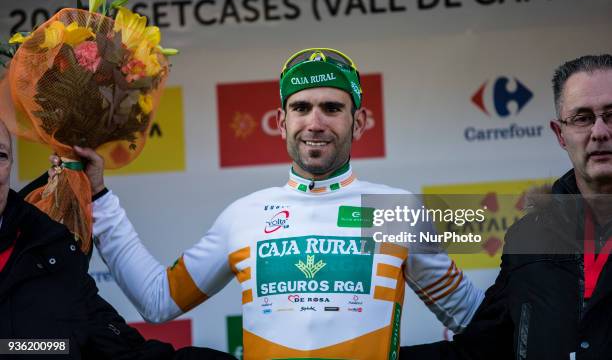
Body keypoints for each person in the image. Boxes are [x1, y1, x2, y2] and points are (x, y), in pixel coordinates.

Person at [71, 48, 484, 359]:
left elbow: (474, 319)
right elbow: (159, 299)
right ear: (282, 122)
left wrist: (545, 243)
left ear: (357, 122)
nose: (315, 122)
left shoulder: (395, 211)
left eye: (332, 108)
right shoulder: (244, 215)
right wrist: (100, 199)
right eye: (301, 107)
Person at [401, 54, 612, 359]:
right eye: (582, 118)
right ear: (560, 134)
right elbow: (483, 349)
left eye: (611, 114)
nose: (600, 132)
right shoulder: (530, 237)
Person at [0, 119, 234, 360]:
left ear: (11, 164)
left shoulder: (50, 249)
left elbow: (136, 328)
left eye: (1, 155)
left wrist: (96, 195)